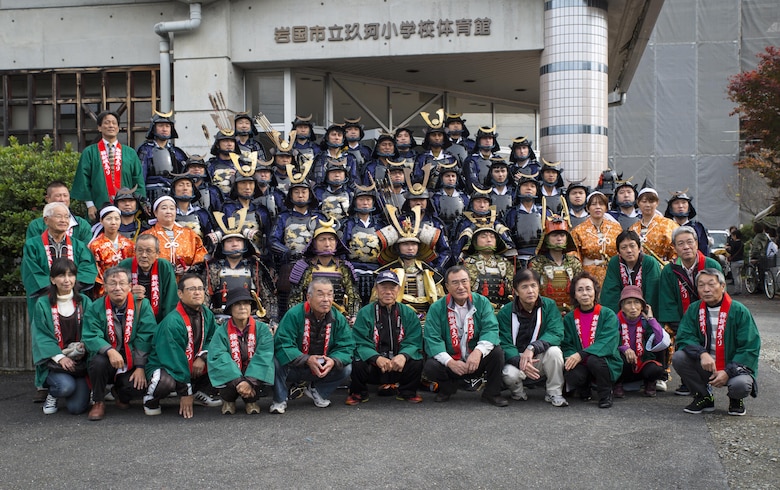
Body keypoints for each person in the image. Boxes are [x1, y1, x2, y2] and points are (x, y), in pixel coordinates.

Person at [673, 268, 760, 416]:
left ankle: (735, 399)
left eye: (711, 284)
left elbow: (749, 347)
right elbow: (684, 336)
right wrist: (702, 353)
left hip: (733, 368)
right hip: (706, 365)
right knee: (679, 357)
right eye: (701, 285)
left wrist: (728, 371)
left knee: (741, 385)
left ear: (722, 286)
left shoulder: (739, 311)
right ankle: (704, 396)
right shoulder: (694, 309)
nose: (706, 289)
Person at [422, 266, 508, 407]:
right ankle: (447, 389)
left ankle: (492, 393)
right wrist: (450, 362)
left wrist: (478, 352)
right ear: (447, 286)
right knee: (431, 365)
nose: (461, 287)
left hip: (475, 360)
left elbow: (491, 329)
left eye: (464, 281)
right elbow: (432, 339)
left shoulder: (482, 302)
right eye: (455, 283)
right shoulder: (437, 307)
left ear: (470, 283)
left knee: (497, 352)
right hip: (452, 362)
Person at [81, 267, 157, 421]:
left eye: (122, 283)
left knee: (140, 385)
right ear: (105, 286)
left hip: (133, 358)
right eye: (112, 283)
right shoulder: (96, 307)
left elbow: (146, 335)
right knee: (98, 362)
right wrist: (109, 350)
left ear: (130, 286)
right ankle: (98, 401)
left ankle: (120, 394)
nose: (117, 288)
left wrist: (141, 366)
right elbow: (90, 335)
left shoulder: (142, 305)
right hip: (108, 358)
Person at [143, 274, 222, 418]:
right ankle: (150, 399)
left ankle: (199, 391)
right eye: (192, 289)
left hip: (193, 361)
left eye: (200, 289)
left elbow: (215, 338)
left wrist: (203, 356)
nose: (197, 292)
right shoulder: (173, 321)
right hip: (166, 365)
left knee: (222, 356)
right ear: (180, 294)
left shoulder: (207, 314)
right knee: (165, 383)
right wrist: (186, 393)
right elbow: (174, 359)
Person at [271, 278, 354, 413]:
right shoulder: (294, 314)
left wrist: (333, 361)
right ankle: (279, 399)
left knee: (346, 367)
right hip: (294, 365)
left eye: (330, 294)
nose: (326, 299)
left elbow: (347, 346)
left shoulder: (338, 318)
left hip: (322, 367)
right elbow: (282, 344)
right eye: (320, 294)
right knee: (275, 361)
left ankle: (318, 391)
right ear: (309, 297)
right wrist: (307, 359)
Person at [658, 226, 722, 394]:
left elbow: (720, 296)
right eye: (680, 244)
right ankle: (688, 381)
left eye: (689, 242)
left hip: (710, 317)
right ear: (674, 247)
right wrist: (681, 326)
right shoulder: (669, 270)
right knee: (679, 344)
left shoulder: (711, 264)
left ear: (697, 243)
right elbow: (667, 301)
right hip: (681, 320)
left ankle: (710, 378)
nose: (686, 247)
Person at [347, 270, 425, 405]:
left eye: (392, 287)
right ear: (376, 289)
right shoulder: (365, 312)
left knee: (417, 360)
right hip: (375, 367)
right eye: (383, 287)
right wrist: (375, 357)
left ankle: (407, 391)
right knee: (358, 361)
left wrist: (403, 356)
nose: (388, 292)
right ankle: (359, 392)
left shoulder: (408, 312)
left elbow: (414, 339)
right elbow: (359, 341)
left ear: (398, 290)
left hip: (398, 365)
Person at [497, 269, 568, 407]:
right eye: (524, 287)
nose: (530, 291)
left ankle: (554, 392)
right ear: (516, 291)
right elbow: (504, 342)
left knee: (555, 352)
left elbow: (556, 332)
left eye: (533, 286)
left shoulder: (549, 306)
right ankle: (518, 392)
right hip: (516, 358)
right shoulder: (505, 312)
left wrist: (533, 347)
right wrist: (519, 361)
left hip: (538, 356)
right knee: (509, 374)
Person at [31, 259, 92, 415]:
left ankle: (85, 392)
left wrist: (83, 348)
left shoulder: (84, 301)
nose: (67, 280)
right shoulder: (43, 303)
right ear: (52, 279)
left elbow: (93, 329)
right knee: (65, 387)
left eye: (71, 275)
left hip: (79, 362)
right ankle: (53, 393)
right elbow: (41, 334)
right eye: (61, 276)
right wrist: (60, 357)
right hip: (56, 363)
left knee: (76, 408)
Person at [21, 202, 98, 319]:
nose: (64, 220)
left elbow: (88, 269)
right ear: (46, 220)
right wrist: (54, 289)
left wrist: (68, 287)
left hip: (73, 296)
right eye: (58, 216)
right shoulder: (33, 245)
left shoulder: (79, 246)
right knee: (45, 331)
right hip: (44, 298)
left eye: (66, 217)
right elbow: (31, 271)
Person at [208, 288, 275, 415]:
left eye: (246, 303)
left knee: (264, 366)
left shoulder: (262, 329)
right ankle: (228, 400)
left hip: (252, 376)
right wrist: (239, 381)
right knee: (223, 368)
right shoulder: (221, 331)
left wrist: (249, 381)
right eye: (237, 304)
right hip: (232, 376)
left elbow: (264, 354)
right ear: (230, 309)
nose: (242, 307)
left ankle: (251, 401)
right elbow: (218, 356)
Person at [561, 272, 622, 408]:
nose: (585, 293)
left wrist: (581, 354)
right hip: (581, 362)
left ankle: (606, 394)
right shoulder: (570, 318)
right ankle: (584, 387)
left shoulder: (607, 314)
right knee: (572, 373)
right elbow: (567, 344)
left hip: (605, 361)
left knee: (595, 361)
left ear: (595, 291)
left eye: (588, 289)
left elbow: (608, 341)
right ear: (574, 294)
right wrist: (571, 356)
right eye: (580, 290)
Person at [205, 211, 278, 324]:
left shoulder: (255, 267)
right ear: (222, 245)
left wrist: (271, 319)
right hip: (220, 318)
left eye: (238, 240)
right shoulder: (213, 268)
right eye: (229, 241)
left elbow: (268, 297)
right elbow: (205, 297)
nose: (234, 244)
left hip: (252, 318)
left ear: (245, 244)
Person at [72, 110, 145, 222]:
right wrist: (90, 205)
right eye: (107, 123)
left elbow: (138, 180)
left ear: (118, 127)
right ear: (99, 128)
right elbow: (83, 180)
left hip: (126, 208)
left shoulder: (130, 153)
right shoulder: (90, 152)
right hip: (98, 206)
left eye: (114, 123)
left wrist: (138, 205)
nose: (111, 125)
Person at [288, 218, 361, 321]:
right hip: (309, 318)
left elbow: (354, 297)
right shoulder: (304, 267)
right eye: (322, 239)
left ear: (336, 242)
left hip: (339, 318)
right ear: (314, 243)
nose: (327, 244)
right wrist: (298, 320)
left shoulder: (344, 267)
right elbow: (295, 299)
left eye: (331, 239)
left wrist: (354, 316)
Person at [613, 286, 669, 398]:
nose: (633, 307)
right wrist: (624, 348)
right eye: (628, 303)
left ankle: (650, 382)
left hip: (642, 361)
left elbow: (660, 340)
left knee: (656, 368)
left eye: (637, 303)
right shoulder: (614, 320)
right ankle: (617, 383)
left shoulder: (645, 322)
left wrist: (651, 319)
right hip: (624, 364)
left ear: (643, 306)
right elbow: (610, 341)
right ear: (622, 307)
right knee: (619, 359)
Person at [142, 196, 208, 279]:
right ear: (155, 213)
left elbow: (201, 255)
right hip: (157, 281)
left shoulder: (189, 234)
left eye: (172, 208)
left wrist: (190, 269)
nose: (168, 211)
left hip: (185, 281)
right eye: (164, 208)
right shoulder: (147, 236)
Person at [118, 234, 178, 323]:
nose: (144, 255)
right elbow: (114, 292)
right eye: (140, 250)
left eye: (149, 251)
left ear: (157, 254)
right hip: (129, 319)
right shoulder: (125, 265)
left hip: (159, 319)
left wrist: (166, 324)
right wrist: (129, 292)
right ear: (135, 252)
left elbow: (170, 299)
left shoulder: (164, 267)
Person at [529, 216, 582, 314]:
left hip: (571, 313)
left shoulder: (574, 263)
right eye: (554, 235)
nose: (559, 238)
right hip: (545, 313)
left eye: (562, 235)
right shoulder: (537, 263)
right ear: (547, 238)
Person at [601, 230, 661, 315]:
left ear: (639, 248)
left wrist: (646, 313)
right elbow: (610, 294)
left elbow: (653, 294)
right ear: (618, 252)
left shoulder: (650, 263)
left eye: (632, 246)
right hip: (622, 313)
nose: (629, 250)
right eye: (623, 247)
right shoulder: (615, 263)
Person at [462, 219, 515, 313]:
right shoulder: (468, 263)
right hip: (476, 310)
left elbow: (512, 290)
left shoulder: (505, 263)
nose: (489, 240)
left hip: (502, 310)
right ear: (474, 241)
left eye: (492, 237)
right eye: (483, 237)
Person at [570, 191, 622, 286]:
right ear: (588, 208)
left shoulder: (616, 228)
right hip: (589, 274)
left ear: (606, 208)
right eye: (594, 204)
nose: (598, 207)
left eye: (601, 204)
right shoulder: (578, 230)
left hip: (613, 273)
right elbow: (574, 257)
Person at [135, 111, 187, 204]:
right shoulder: (145, 150)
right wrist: (142, 199)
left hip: (173, 194)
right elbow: (141, 176)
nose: (164, 129)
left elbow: (184, 175)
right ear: (153, 128)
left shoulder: (177, 152)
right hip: (151, 194)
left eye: (167, 126)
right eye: (161, 126)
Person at [88, 205, 135, 298]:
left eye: (117, 219)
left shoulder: (129, 244)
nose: (113, 222)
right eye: (109, 219)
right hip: (105, 288)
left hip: (126, 286)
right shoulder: (95, 245)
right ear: (101, 221)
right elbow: (95, 271)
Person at [26, 180, 93, 244]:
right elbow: (33, 250)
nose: (62, 199)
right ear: (48, 199)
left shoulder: (83, 225)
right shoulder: (36, 225)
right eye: (58, 196)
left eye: (65, 195)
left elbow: (86, 252)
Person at [629, 188, 678, 264]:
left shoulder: (669, 224)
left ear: (657, 203)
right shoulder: (633, 228)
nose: (647, 205)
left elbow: (677, 249)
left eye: (651, 201)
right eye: (644, 202)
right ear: (638, 203)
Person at [664, 191, 710, 256]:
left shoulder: (697, 227)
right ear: (671, 207)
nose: (680, 206)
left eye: (684, 202)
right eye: (676, 203)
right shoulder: (665, 227)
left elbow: (704, 250)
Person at [726, 228, 745, 295]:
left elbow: (731, 252)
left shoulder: (734, 243)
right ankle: (740, 289)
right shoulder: (742, 243)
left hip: (735, 261)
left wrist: (727, 249)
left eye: (733, 236)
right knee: (739, 276)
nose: (732, 237)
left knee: (735, 276)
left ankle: (737, 290)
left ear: (736, 236)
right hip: (741, 260)